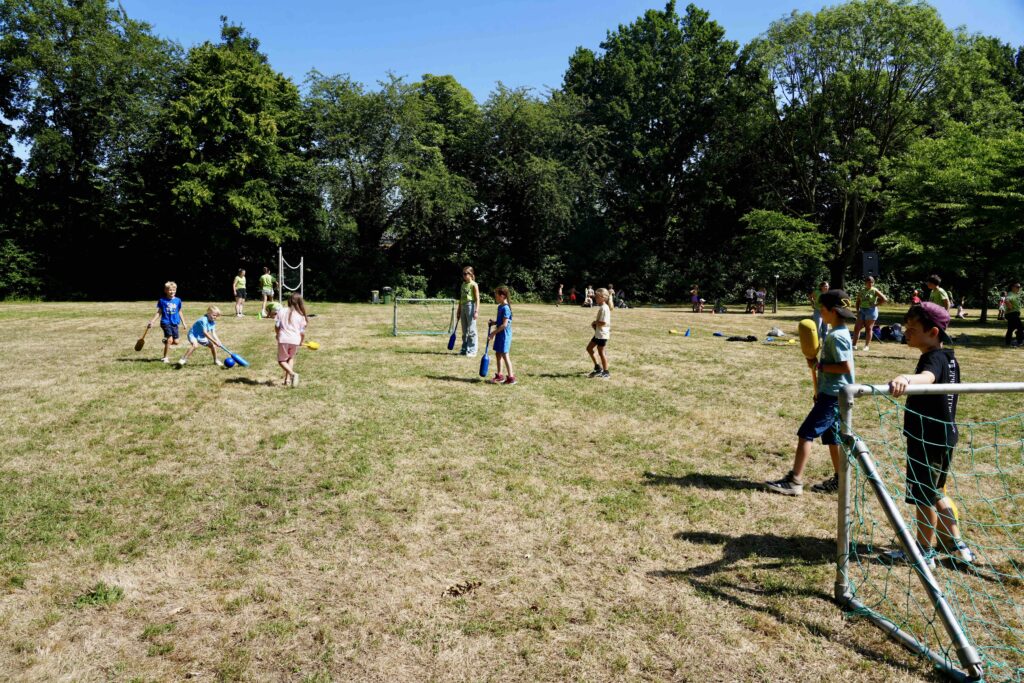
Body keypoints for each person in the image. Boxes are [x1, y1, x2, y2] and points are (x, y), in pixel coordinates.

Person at [883, 303, 973, 567]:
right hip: (944, 437)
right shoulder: (949, 357)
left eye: (912, 329)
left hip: (927, 439)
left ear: (933, 332)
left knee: (923, 497)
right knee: (936, 492)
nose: (906, 333)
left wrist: (905, 378)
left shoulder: (932, 358)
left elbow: (928, 377)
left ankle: (923, 551)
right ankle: (957, 546)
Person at [764, 290, 856, 496]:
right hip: (831, 393)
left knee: (806, 433)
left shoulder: (837, 336)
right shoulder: (839, 332)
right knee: (833, 438)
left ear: (833, 311)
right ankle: (841, 479)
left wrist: (818, 366)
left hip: (833, 396)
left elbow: (845, 367)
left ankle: (794, 481)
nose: (820, 313)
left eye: (822, 309)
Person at [146, 281, 186, 363]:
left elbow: (179, 311)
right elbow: (159, 312)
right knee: (170, 340)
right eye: (170, 290)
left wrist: (184, 322)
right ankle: (165, 357)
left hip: (175, 322)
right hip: (165, 322)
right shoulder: (162, 300)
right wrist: (152, 321)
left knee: (176, 342)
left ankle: (166, 342)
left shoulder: (178, 300)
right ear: (165, 290)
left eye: (174, 290)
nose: (172, 292)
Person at [276, 294, 308, 387]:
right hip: (295, 340)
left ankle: (292, 374)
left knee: (281, 360)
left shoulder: (281, 311)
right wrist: (300, 341)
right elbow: (302, 333)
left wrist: (277, 334)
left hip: (284, 339)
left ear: (289, 301)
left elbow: (277, 326)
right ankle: (287, 380)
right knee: (290, 358)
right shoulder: (301, 315)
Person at [487, 286, 515, 385]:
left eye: (496, 295)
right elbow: (500, 322)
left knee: (504, 354)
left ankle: (511, 378)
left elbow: (504, 325)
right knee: (498, 354)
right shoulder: (500, 307)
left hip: (504, 335)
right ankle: (500, 375)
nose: (495, 297)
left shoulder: (506, 308)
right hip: (500, 333)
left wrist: (493, 333)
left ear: (502, 296)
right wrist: (494, 323)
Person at [852, 275, 888, 351]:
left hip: (871, 311)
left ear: (873, 283)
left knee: (868, 328)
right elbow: (858, 301)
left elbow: (884, 299)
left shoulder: (874, 290)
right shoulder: (862, 291)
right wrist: (857, 311)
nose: (870, 284)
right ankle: (854, 345)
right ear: (865, 283)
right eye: (868, 282)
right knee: (857, 328)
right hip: (862, 310)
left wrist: (875, 304)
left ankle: (866, 346)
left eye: (871, 282)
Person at [586, 288, 612, 379]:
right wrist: (595, 325)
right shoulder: (602, 307)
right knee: (589, 348)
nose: (595, 298)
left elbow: (603, 323)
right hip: (599, 333)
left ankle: (606, 372)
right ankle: (598, 368)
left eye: (597, 297)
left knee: (601, 352)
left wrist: (595, 322)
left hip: (602, 335)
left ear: (603, 298)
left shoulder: (604, 308)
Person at [458, 266, 480, 357]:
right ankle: (464, 348)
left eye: (465, 273)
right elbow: (461, 298)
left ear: (471, 274)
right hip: (463, 306)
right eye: (463, 274)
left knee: (472, 329)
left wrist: (476, 311)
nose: (464, 275)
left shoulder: (474, 285)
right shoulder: (463, 285)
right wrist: (458, 310)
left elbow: (477, 299)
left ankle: (472, 350)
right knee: (464, 330)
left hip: (470, 306)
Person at [1004, 282, 1023, 347]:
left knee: (1010, 328)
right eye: (1017, 287)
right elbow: (1006, 300)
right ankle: (1019, 342)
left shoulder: (1014, 294)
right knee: (1020, 327)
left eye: (1019, 287)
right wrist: (1010, 307)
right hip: (1012, 314)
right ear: (1012, 287)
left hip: (1013, 313)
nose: (1019, 288)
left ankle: (1008, 342)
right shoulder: (1011, 294)